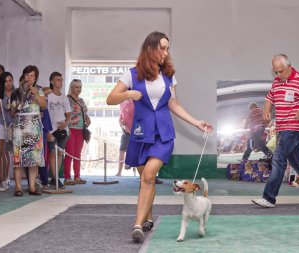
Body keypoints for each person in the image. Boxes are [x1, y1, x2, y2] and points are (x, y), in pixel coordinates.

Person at [106, 31, 213, 242]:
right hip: (139, 134)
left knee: (148, 177)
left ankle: (137, 225)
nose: (165, 52)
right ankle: (148, 217)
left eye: (167, 48)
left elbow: (174, 104)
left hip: (163, 135)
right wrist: (128, 94)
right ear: (150, 48)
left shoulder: (169, 75)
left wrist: (196, 122)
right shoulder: (132, 74)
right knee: (147, 181)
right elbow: (111, 98)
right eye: (162, 47)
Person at [252, 54, 299, 208]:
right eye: (275, 72)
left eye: (281, 71)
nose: (278, 75)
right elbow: (269, 98)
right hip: (282, 128)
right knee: (298, 165)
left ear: (289, 67)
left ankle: (269, 197)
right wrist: (266, 110)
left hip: (294, 128)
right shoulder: (277, 82)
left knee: (278, 159)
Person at [10, 65, 46, 196]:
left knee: (33, 158)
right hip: (20, 127)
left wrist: (35, 92)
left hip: (35, 127)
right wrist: (17, 101)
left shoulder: (40, 90)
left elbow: (43, 105)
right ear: (23, 76)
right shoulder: (16, 91)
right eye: (27, 75)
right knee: (18, 159)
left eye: (31, 76)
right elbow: (13, 112)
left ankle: (32, 187)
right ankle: (18, 188)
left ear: (35, 78)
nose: (29, 78)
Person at [46, 72, 71, 188]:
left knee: (60, 153)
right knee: (52, 152)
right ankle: (55, 178)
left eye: (61, 80)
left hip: (63, 130)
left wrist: (65, 123)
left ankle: (55, 177)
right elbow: (43, 114)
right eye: (57, 80)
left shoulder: (64, 97)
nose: (60, 82)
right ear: (52, 81)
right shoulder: (48, 96)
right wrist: (46, 131)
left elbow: (68, 114)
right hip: (51, 130)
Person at [63, 79, 90, 185]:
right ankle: (67, 177)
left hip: (81, 130)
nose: (78, 89)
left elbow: (84, 113)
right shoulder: (67, 99)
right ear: (71, 88)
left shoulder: (82, 100)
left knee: (78, 154)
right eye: (76, 87)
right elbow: (66, 114)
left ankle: (77, 176)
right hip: (70, 129)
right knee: (69, 154)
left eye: (80, 87)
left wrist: (87, 119)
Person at [0, 72, 15, 190]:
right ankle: (1, 179)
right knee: (0, 152)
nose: (9, 83)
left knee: (8, 153)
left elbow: (15, 112)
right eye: (6, 81)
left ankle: (6, 178)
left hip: (13, 126)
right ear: (2, 83)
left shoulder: (17, 93)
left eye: (10, 80)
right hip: (1, 124)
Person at [115, 98, 134, 176]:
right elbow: (120, 118)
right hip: (125, 131)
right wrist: (122, 125)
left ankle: (129, 162)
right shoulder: (121, 102)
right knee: (122, 149)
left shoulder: (136, 102)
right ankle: (119, 172)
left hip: (137, 130)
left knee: (136, 150)